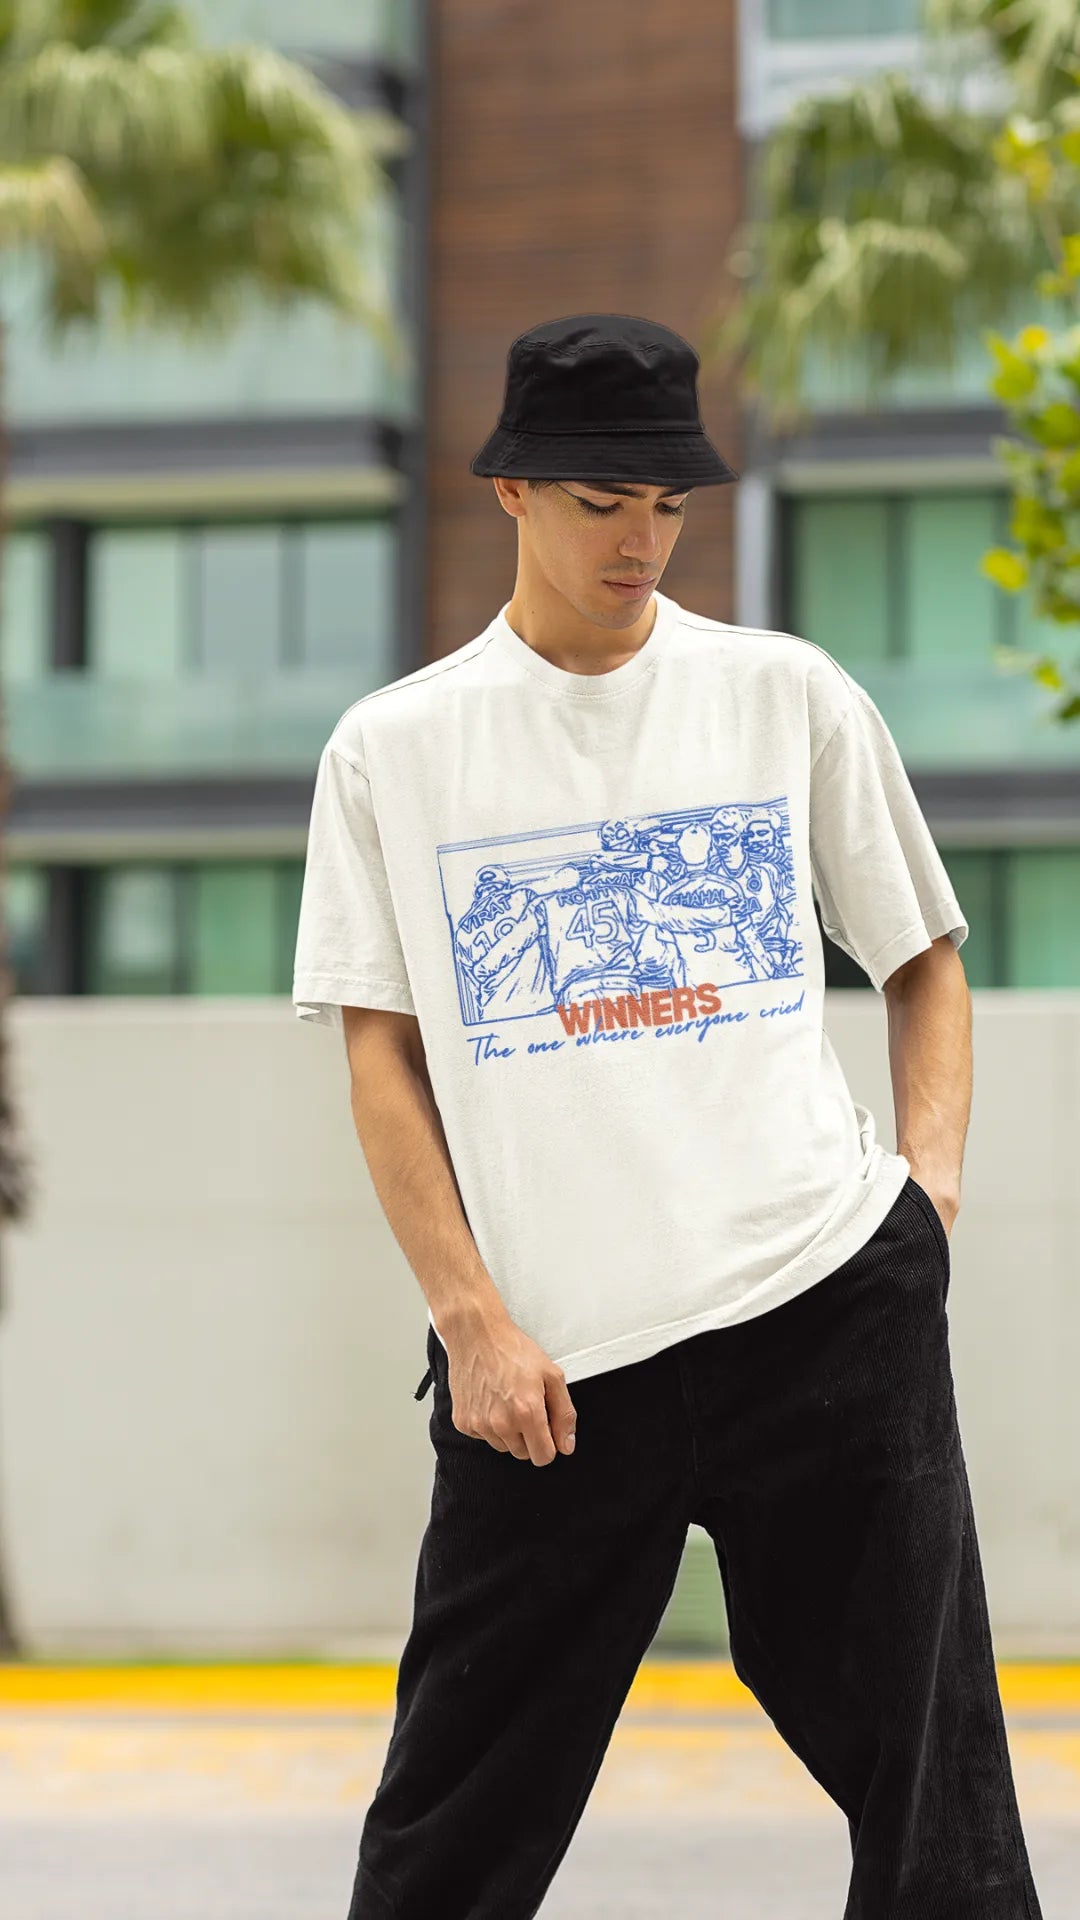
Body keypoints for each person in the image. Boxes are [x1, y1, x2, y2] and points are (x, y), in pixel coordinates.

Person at [292, 314, 1043, 1920]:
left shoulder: (785, 697)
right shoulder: (398, 751)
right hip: (553, 1375)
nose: (638, 539)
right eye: (596, 502)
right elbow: (380, 1061)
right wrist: (471, 1321)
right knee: (448, 1837)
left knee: (939, 1811)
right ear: (507, 493)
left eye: (667, 505)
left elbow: (925, 959)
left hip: (824, 1311)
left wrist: (927, 1206)